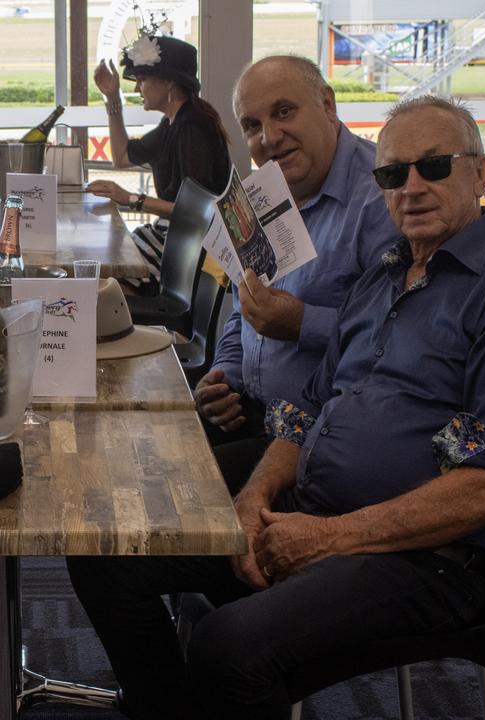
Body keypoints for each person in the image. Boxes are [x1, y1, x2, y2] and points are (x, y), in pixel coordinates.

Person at [68, 96, 485, 719]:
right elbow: (306, 412)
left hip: (425, 557)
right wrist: (254, 499)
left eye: (435, 167)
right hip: (313, 507)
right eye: (393, 174)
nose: (412, 188)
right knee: (104, 549)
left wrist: (331, 539)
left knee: (228, 645)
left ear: (480, 172)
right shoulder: (386, 275)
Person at [195, 55, 399, 490]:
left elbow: (397, 339)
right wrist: (224, 376)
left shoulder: (384, 202)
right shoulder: (255, 195)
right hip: (250, 413)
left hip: (324, 438)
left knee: (157, 505)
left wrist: (302, 324)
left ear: (328, 105)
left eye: (284, 111)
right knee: (130, 464)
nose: (269, 137)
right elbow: (240, 309)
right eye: (252, 125)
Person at [86, 34, 232, 292]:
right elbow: (121, 157)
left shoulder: (193, 127)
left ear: (168, 82)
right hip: (173, 238)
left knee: (102, 286)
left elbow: (197, 211)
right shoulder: (174, 122)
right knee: (101, 275)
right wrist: (112, 100)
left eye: (141, 80)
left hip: (187, 247)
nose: (136, 88)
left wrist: (132, 199)